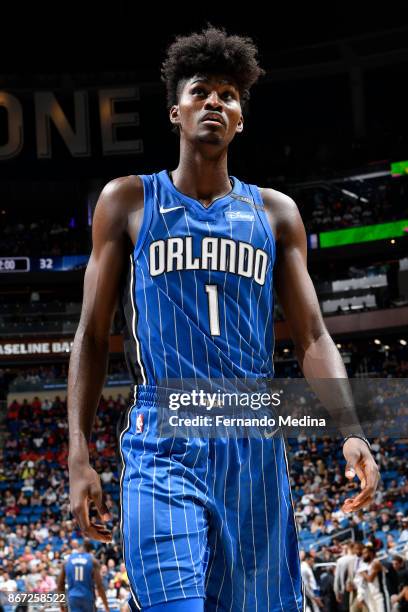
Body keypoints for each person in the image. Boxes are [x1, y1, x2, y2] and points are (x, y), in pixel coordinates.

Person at [67, 25, 380, 612]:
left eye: (228, 95)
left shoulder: (276, 214)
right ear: (175, 110)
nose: (214, 101)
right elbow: (90, 333)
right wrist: (78, 454)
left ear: (241, 120)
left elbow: (313, 335)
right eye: (201, 91)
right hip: (163, 439)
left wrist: (352, 429)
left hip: (253, 441)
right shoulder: (127, 201)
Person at [56, 540, 109, 612]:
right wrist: (106, 606)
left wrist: (62, 607)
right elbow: (99, 586)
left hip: (73, 598)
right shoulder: (92, 561)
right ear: (90, 552)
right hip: (87, 597)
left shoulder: (67, 561)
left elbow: (60, 586)